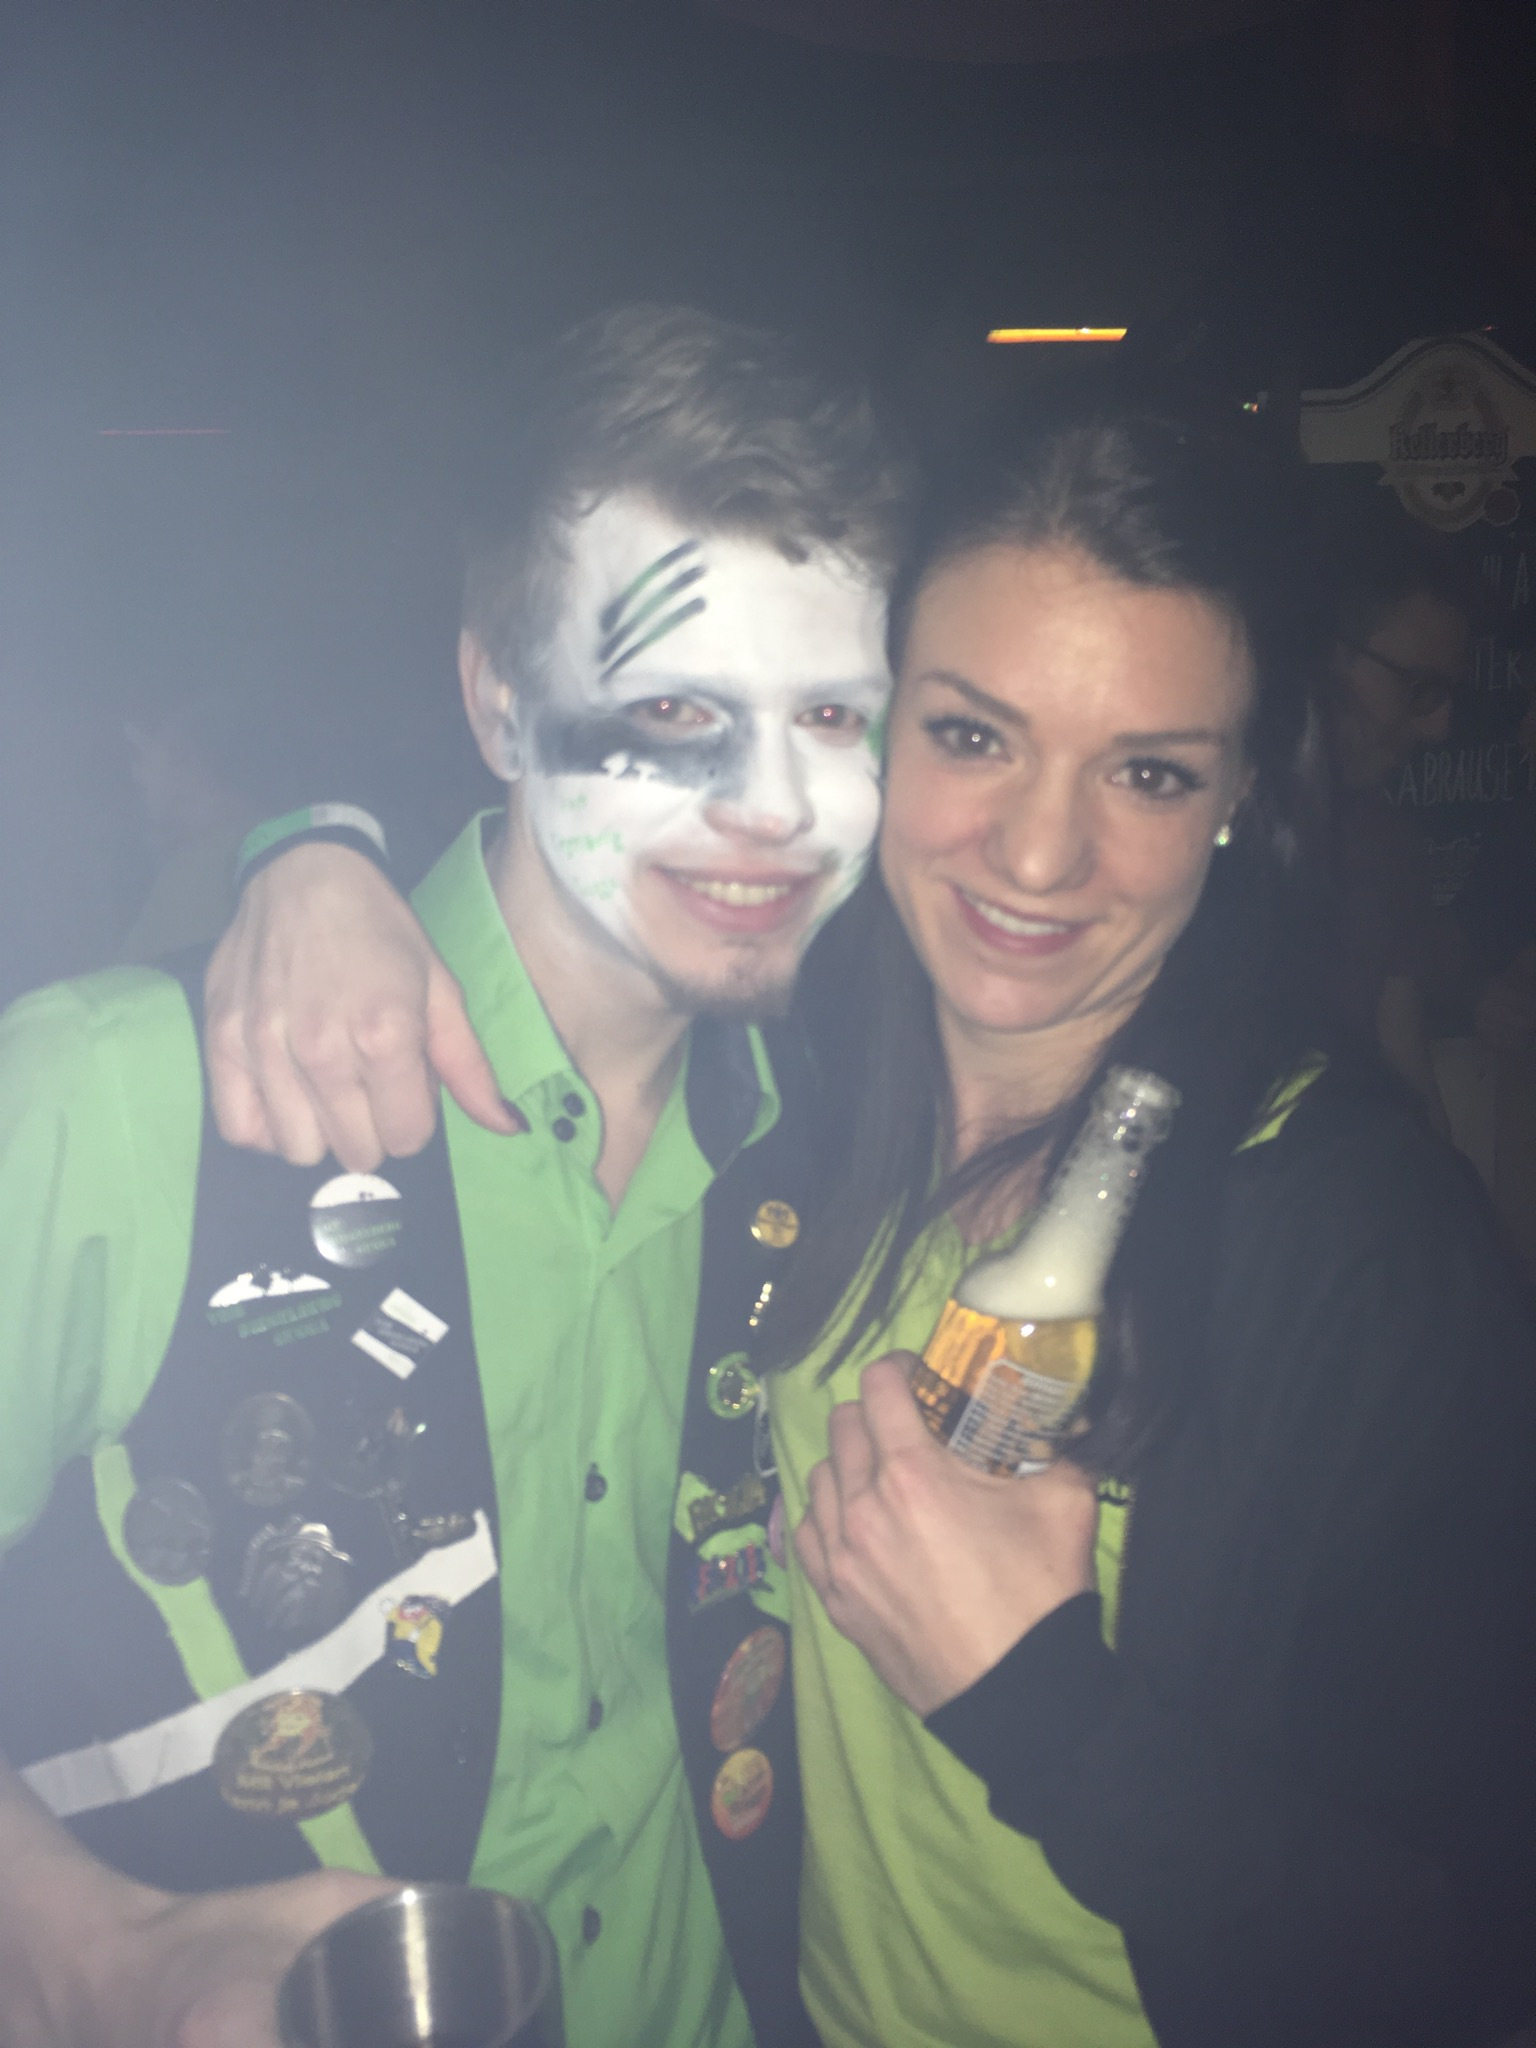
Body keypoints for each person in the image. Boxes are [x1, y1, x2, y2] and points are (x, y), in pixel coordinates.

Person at [212, 416, 1536, 2047]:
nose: (1040, 854)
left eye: (1149, 772)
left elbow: (1469, 1948)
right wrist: (313, 852)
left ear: (1239, 797)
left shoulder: (1362, 1252)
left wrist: (1046, 1708)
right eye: (973, 736)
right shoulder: (786, 1086)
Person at [0, 302, 907, 2048]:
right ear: (499, 702)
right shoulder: (123, 1098)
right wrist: (96, 1954)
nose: (772, 807)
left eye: (828, 712)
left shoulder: (824, 1145)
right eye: (670, 707)